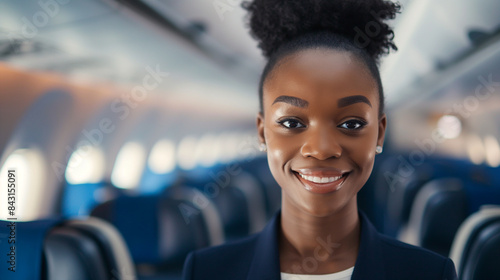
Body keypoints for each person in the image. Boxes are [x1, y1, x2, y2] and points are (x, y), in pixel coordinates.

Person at [182, 0, 458, 279]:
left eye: (351, 123)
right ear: (262, 132)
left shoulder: (431, 273)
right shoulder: (206, 271)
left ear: (380, 133)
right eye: (291, 123)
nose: (322, 149)